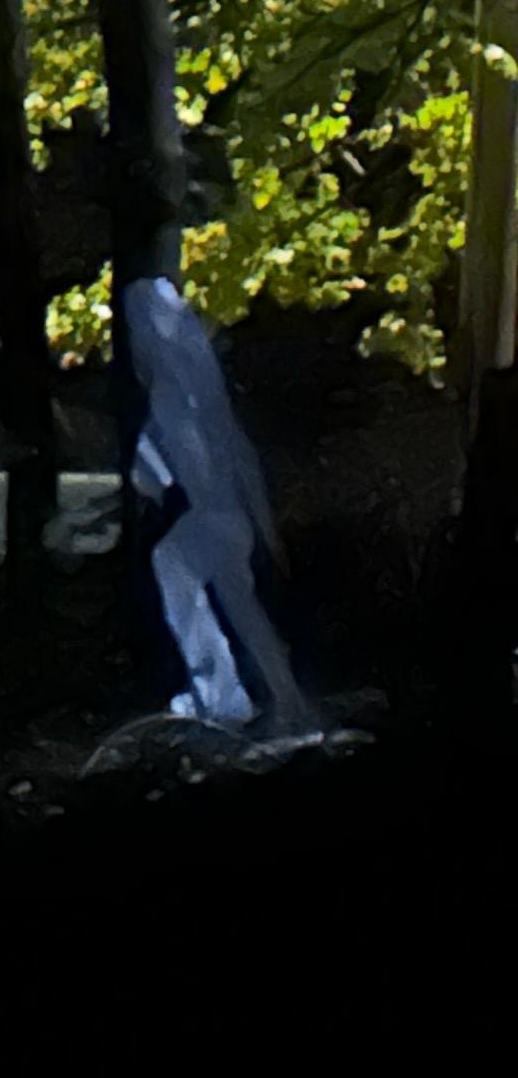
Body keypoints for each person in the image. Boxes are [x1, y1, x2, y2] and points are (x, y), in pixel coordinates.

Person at [116, 274, 316, 733]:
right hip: (229, 521)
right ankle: (283, 699)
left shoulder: (176, 395)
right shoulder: (202, 395)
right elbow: (217, 462)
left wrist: (148, 468)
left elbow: (157, 477)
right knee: (241, 608)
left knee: (173, 565)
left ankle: (221, 698)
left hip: (214, 518)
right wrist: (264, 526)